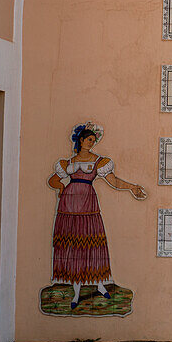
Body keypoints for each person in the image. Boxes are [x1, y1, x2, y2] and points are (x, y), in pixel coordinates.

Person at [48, 123, 146, 309]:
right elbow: (53, 180)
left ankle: (99, 284)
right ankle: (76, 290)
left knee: (91, 244)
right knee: (73, 246)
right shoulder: (67, 163)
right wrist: (61, 187)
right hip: (68, 207)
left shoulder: (99, 161)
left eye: (94, 140)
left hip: (87, 206)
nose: (92, 143)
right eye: (90, 140)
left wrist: (132, 187)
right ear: (81, 140)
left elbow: (114, 182)